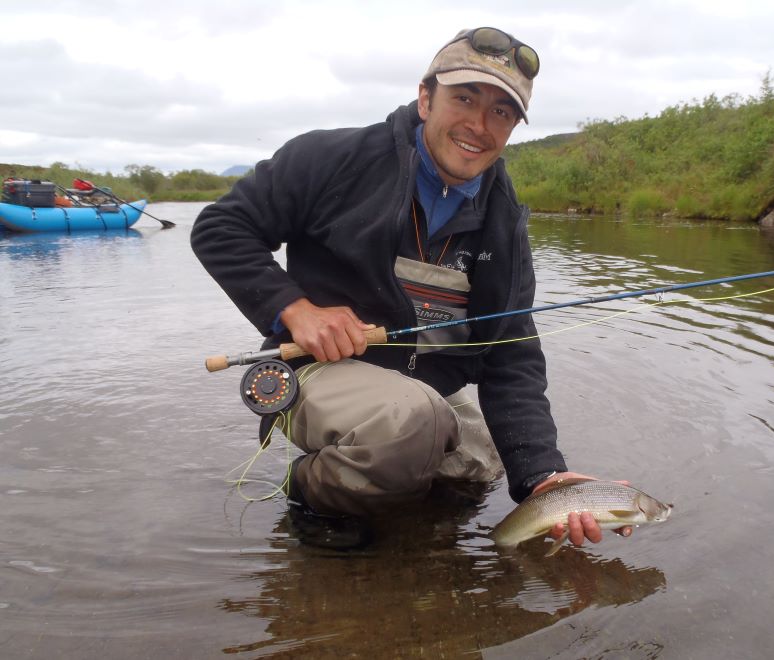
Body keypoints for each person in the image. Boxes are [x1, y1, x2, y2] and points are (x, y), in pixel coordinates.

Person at [191, 27, 631, 550]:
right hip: (318, 373)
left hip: (422, 395)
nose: (478, 125)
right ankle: (310, 493)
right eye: (464, 98)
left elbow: (511, 352)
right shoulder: (331, 159)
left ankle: (401, 512)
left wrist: (544, 478)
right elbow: (220, 228)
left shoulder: (503, 219)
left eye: (501, 112)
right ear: (426, 98)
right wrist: (295, 309)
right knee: (410, 429)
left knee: (478, 463)